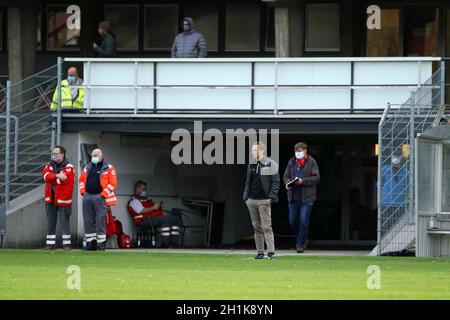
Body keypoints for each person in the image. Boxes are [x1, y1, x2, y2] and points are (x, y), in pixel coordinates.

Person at [243, 142, 280, 260]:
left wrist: (271, 197)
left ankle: (271, 252)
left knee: (267, 227)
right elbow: (248, 182)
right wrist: (246, 197)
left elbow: (276, 182)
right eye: (252, 150)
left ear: (262, 151)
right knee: (256, 227)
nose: (253, 152)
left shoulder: (270, 164)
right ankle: (260, 252)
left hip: (264, 200)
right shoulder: (251, 164)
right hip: (251, 200)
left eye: (255, 150)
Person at [283, 142, 320, 253]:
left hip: (307, 198)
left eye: (300, 151)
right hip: (293, 197)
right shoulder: (291, 162)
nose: (298, 153)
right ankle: (303, 238)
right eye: (297, 151)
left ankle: (300, 244)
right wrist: (288, 183)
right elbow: (286, 176)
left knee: (303, 220)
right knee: (292, 220)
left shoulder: (312, 162)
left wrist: (303, 181)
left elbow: (316, 178)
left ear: (305, 151)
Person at [79, 149, 118, 251]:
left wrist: (103, 194)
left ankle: (100, 244)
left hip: (100, 197)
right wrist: (83, 192)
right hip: (87, 196)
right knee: (88, 220)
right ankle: (90, 243)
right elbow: (81, 181)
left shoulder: (108, 168)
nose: (94, 157)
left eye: (96, 155)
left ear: (101, 156)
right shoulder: (87, 167)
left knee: (100, 220)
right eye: (93, 155)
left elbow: (112, 183)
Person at [127, 180, 181, 248]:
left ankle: (174, 243)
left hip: (154, 219)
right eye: (143, 189)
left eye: (145, 189)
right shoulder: (134, 201)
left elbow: (155, 207)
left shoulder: (147, 200)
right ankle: (165, 243)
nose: (145, 191)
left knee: (175, 220)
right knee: (165, 220)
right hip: (144, 221)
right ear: (137, 189)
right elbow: (141, 211)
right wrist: (153, 207)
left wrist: (159, 206)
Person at [41, 145, 75, 250]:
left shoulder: (69, 167)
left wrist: (53, 177)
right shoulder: (49, 165)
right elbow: (45, 176)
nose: (54, 156)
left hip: (63, 199)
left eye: (57, 154)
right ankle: (50, 244)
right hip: (50, 198)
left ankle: (66, 244)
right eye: (53, 154)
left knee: (65, 221)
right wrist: (56, 176)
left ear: (62, 155)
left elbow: (64, 179)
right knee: (51, 221)